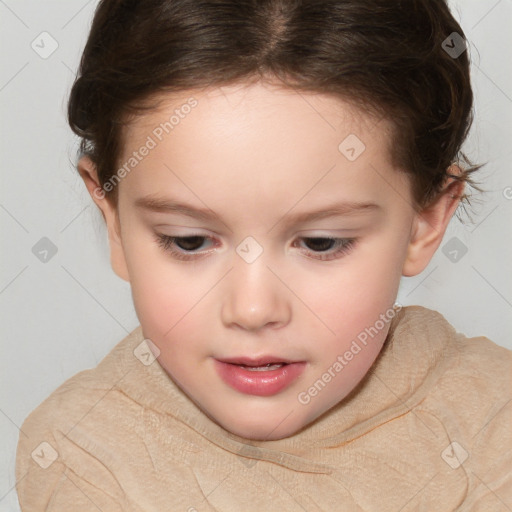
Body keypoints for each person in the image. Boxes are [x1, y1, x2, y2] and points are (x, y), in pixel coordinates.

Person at [15, 0, 512, 510]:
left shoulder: (495, 431)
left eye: (322, 243)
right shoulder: (81, 454)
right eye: (188, 241)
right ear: (114, 219)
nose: (252, 310)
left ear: (425, 220)